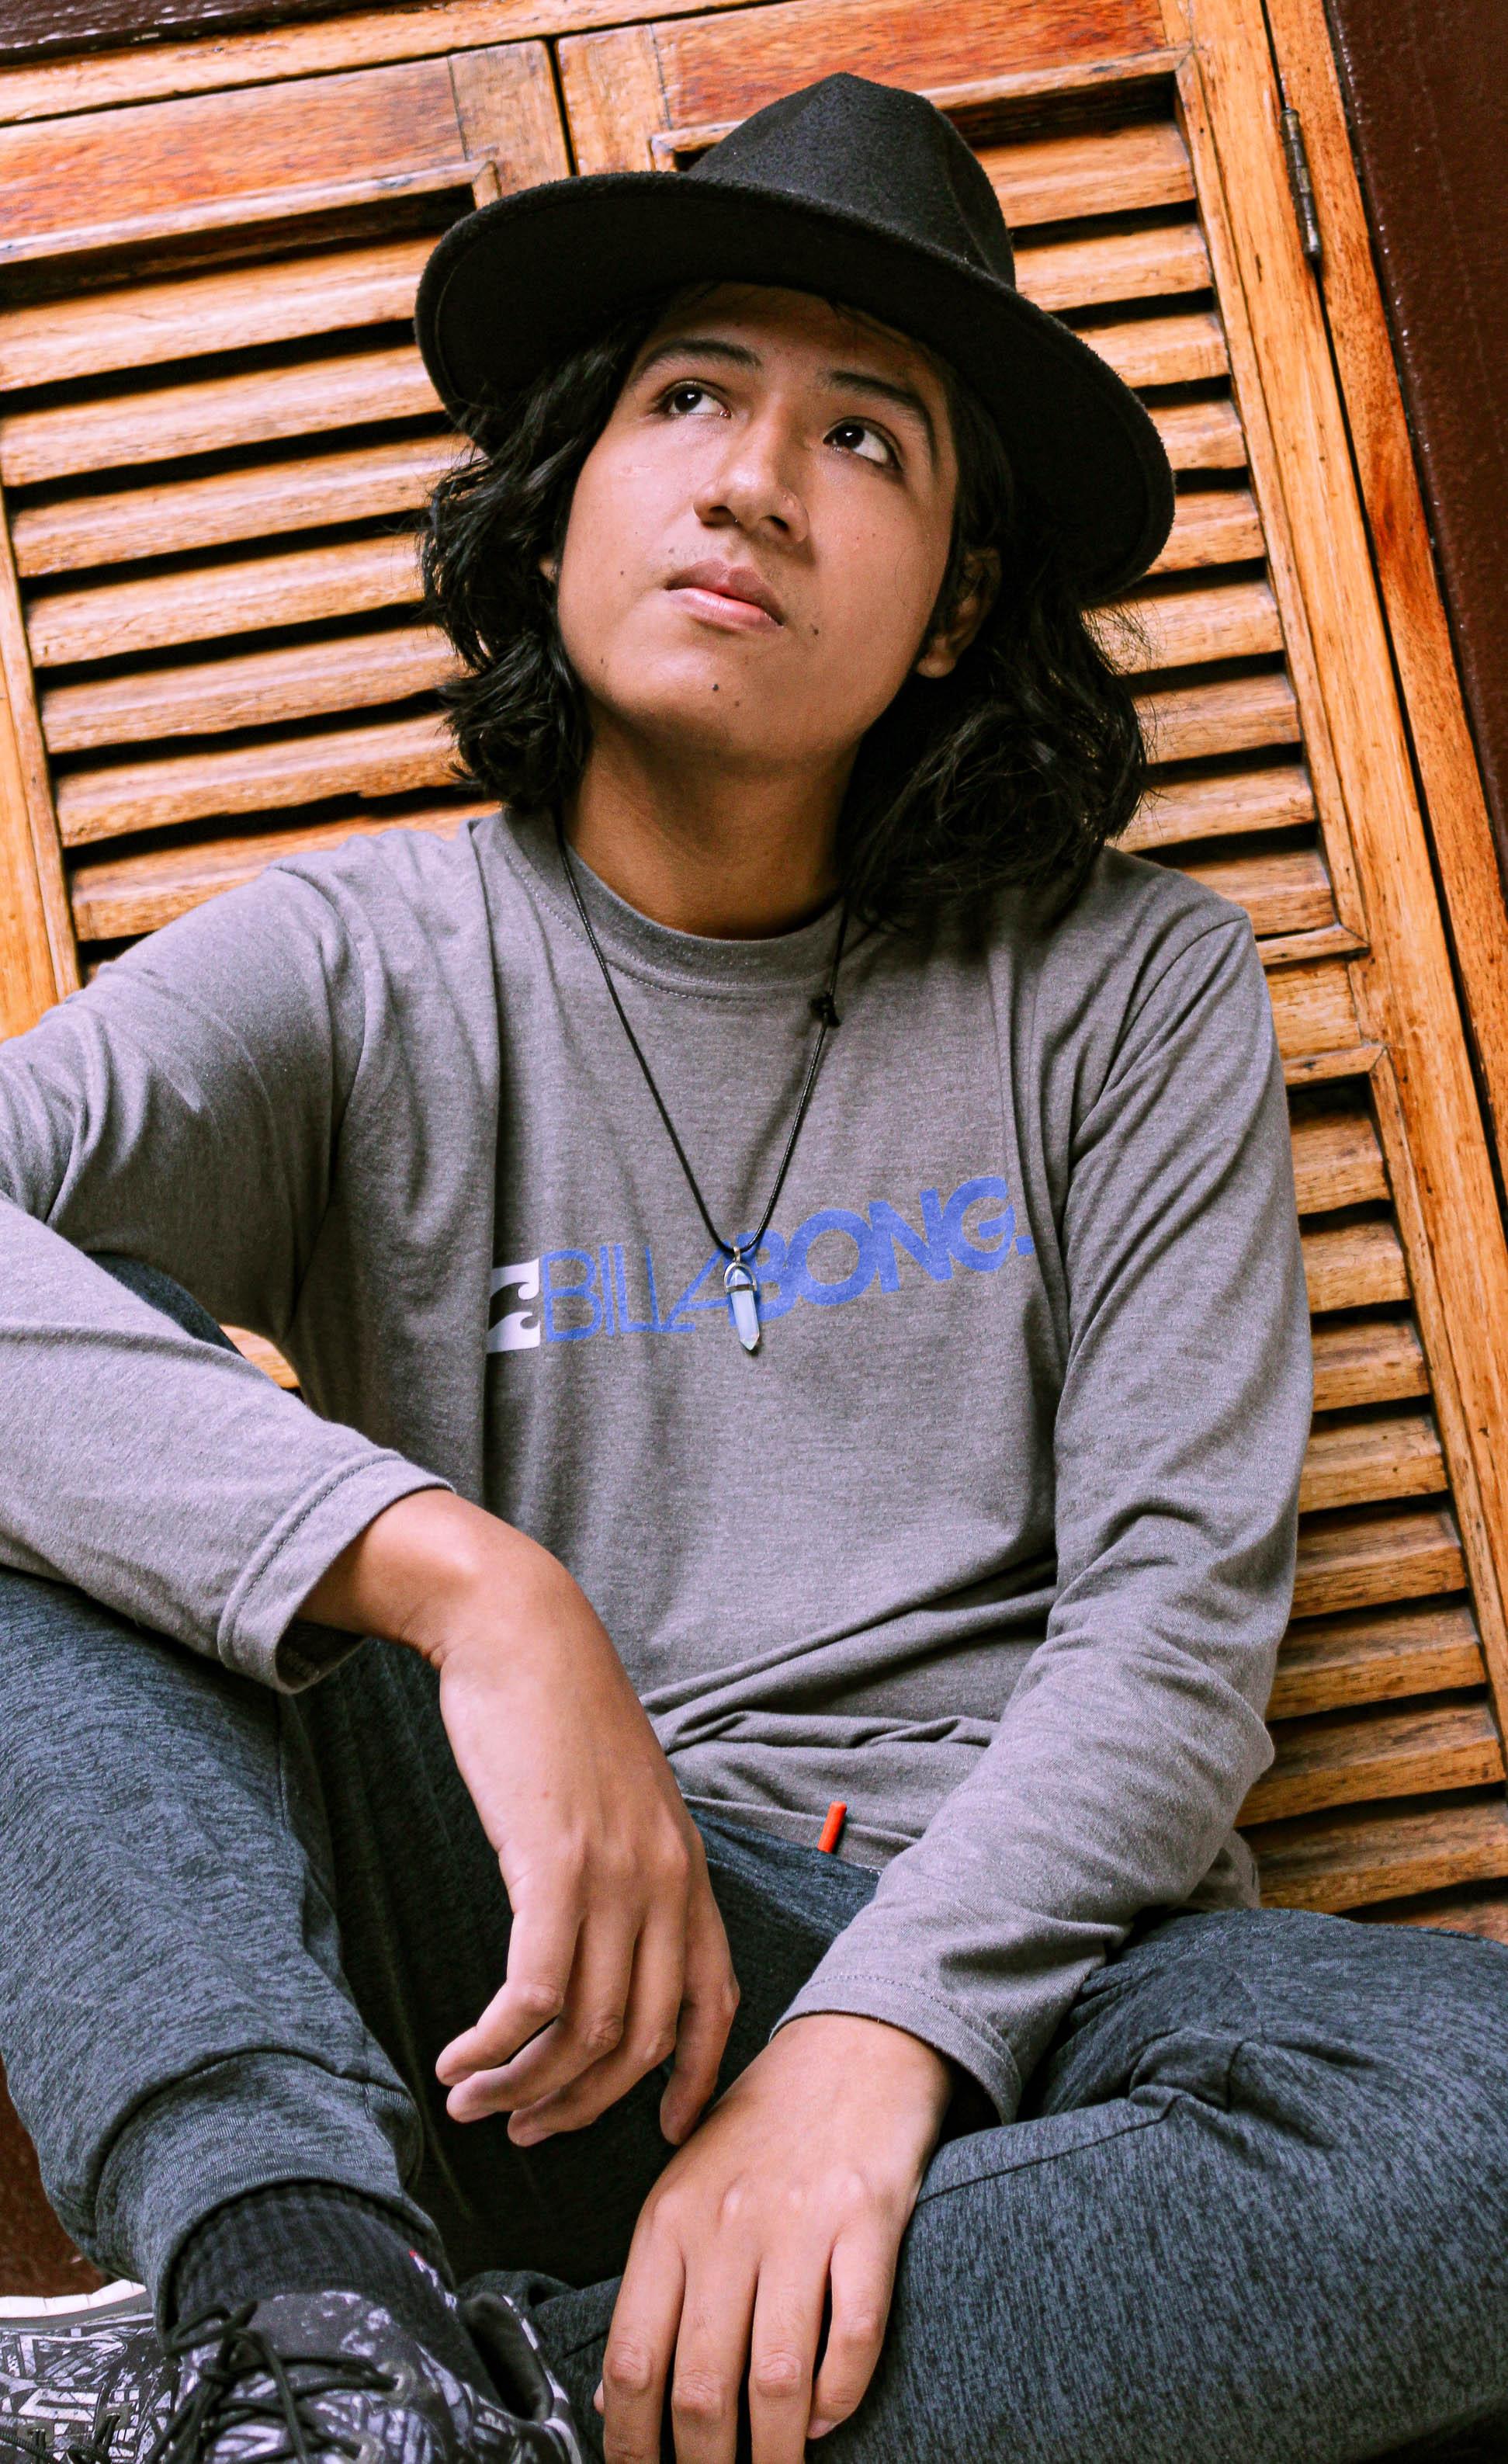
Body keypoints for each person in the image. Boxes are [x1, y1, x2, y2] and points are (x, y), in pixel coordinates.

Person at [0, 67, 1503, 2464]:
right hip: (523, 1976)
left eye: (867, 439)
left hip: (1024, 2012)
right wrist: (473, 1586)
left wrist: (873, 2043)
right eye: (690, 397)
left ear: (959, 602)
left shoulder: (1126, 989)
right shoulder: (358, 963)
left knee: (1481, 2115)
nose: (753, 482)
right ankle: (295, 2275)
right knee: (65, 1463)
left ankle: (392, 2407)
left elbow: (1174, 1629)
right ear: (567, 496)